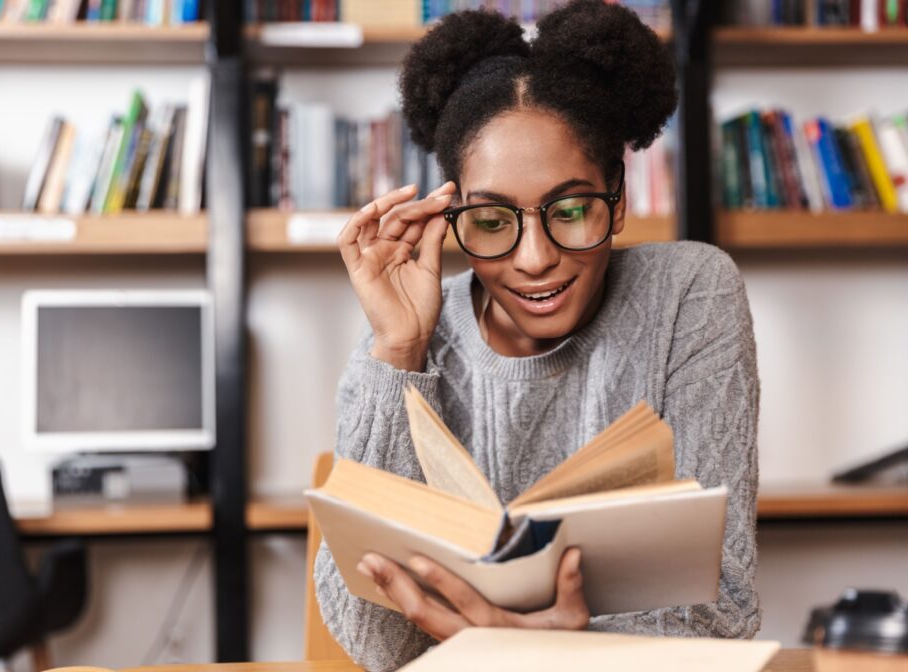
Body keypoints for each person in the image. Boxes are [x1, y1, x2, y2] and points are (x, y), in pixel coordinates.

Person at [314, 2, 761, 670]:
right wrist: (400, 351)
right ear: (449, 213)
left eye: (572, 210)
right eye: (491, 219)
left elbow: (721, 614)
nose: (533, 258)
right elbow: (377, 643)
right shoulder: (403, 337)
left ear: (619, 194)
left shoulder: (688, 295)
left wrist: (526, 644)